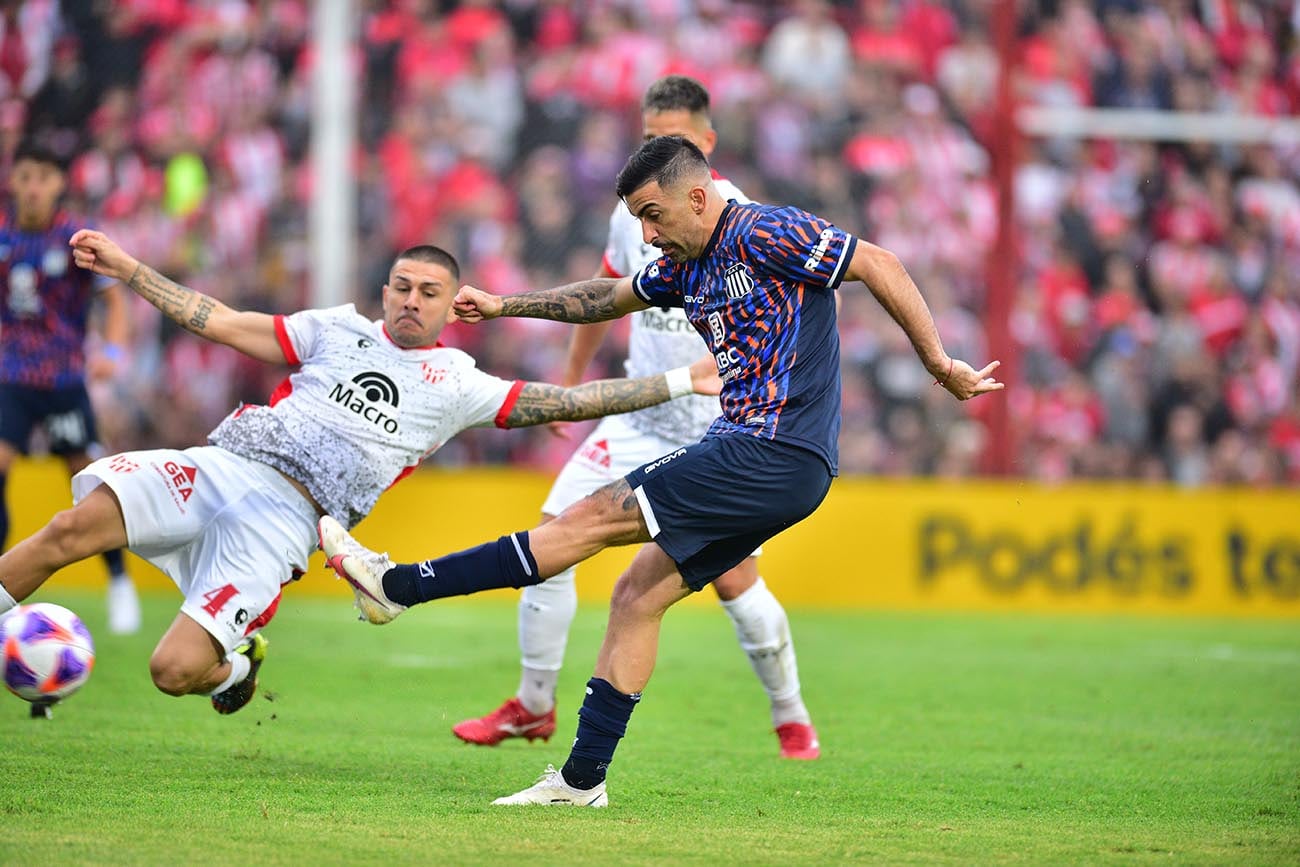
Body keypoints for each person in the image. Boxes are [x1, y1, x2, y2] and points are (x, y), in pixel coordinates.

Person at [319, 135, 1004, 806]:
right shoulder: (686, 267)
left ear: (699, 197)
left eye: (654, 215)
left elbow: (877, 262)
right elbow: (605, 298)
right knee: (636, 595)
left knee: (583, 521)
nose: (647, 235)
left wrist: (940, 363)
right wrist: (506, 304)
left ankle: (398, 586)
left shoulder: (765, 231)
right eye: (638, 220)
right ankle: (582, 781)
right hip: (773, 459)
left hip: (769, 447)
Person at [0, 228, 720, 715]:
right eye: (401, 286)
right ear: (384, 291)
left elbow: (569, 399)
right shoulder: (333, 327)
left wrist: (682, 381)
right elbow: (216, 319)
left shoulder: (457, 379)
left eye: (428, 292)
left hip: (286, 521)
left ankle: (238, 665)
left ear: (452, 306)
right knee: (73, 527)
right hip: (222, 463)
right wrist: (129, 269)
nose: (411, 300)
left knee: (172, 672)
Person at [451, 75, 820, 761]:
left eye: (671, 139)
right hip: (636, 416)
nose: (655, 148)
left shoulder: (744, 223)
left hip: (718, 428)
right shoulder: (636, 214)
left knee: (736, 581)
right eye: (649, 136)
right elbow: (603, 292)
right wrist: (566, 383)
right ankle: (532, 705)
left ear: (705, 147)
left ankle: (791, 714)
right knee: (554, 536)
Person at [0, 141, 139, 635]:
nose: (32, 188)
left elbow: (113, 301)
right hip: (11, 377)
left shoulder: (75, 240)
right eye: (24, 177)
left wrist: (115, 352)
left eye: (42, 177)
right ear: (13, 182)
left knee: (88, 482)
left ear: (59, 184)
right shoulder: (3, 235)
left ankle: (120, 581)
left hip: (63, 380)